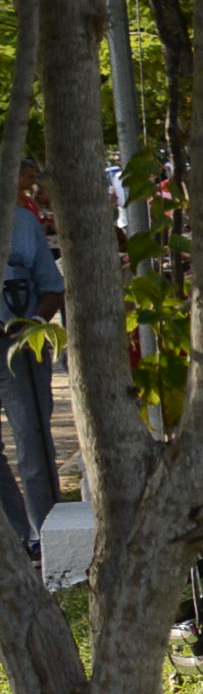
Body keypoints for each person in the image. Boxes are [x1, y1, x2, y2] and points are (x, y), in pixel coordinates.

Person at [1, 166, 64, 562]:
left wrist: (33, 324)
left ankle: (46, 536)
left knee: (33, 444)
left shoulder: (23, 223)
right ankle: (14, 535)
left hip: (19, 346)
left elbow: (52, 287)